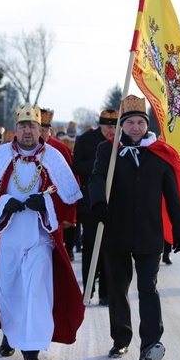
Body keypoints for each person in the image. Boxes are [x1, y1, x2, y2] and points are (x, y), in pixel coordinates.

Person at [0, 102, 85, 360]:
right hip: (7, 236)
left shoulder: (54, 157)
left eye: (32, 126)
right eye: (22, 126)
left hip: (39, 238)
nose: (27, 132)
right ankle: (11, 334)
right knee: (10, 289)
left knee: (36, 291)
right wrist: (2, 204)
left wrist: (46, 205)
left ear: (40, 130)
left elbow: (68, 196)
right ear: (15, 130)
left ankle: (31, 349)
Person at [89, 95, 180, 360]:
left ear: (146, 125)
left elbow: (173, 195)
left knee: (148, 288)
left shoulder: (159, 153)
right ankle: (121, 339)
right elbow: (96, 178)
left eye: (139, 122)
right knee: (118, 288)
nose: (134, 127)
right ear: (122, 126)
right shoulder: (107, 150)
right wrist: (98, 203)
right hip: (116, 231)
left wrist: (179, 230)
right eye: (129, 122)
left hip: (149, 234)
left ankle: (150, 344)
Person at [72, 108, 118, 305]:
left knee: (110, 248)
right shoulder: (85, 140)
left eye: (115, 126)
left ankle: (106, 292)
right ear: (101, 125)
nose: (112, 130)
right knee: (90, 246)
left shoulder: (123, 140)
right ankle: (88, 288)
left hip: (115, 202)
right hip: (90, 202)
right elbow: (77, 166)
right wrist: (101, 164)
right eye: (108, 126)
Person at [39, 108, 78, 261]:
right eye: (38, 129)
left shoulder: (60, 149)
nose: (40, 133)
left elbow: (70, 181)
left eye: (44, 130)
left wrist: (69, 213)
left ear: (50, 131)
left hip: (53, 206)